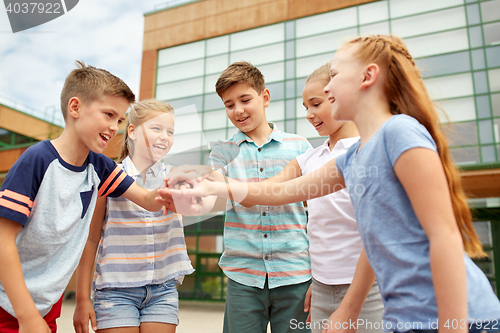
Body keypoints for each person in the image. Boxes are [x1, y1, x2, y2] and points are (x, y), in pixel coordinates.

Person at [163, 35, 500, 333]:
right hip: (404, 318)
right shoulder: (350, 160)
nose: (325, 88)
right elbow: (275, 192)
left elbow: (443, 236)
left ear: (367, 77)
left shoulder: (398, 132)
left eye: (335, 75)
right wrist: (209, 181)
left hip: (459, 318)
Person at [0, 62, 167, 333]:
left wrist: (176, 190)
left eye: (120, 120)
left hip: (47, 303)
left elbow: (148, 199)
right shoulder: (36, 161)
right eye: (109, 114)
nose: (115, 127)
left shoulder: (100, 167)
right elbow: (2, 241)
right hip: (9, 301)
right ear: (75, 108)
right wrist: (27, 316)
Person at [175, 61, 313, 333]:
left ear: (265, 98)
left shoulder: (300, 147)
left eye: (245, 100)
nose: (237, 110)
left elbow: (316, 212)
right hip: (243, 278)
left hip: (297, 275)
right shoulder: (223, 152)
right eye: (229, 104)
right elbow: (214, 199)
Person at [72, 99, 194, 333]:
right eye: (157, 128)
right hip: (115, 293)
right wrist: (81, 299)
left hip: (162, 290)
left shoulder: (178, 177)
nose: (165, 136)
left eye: (170, 131)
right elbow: (90, 240)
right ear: (133, 131)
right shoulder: (109, 176)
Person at [292, 63, 383, 333]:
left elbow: (376, 235)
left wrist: (349, 307)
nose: (309, 114)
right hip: (321, 288)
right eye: (305, 108)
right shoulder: (310, 158)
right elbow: (271, 189)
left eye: (316, 104)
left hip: (370, 289)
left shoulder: (368, 149)